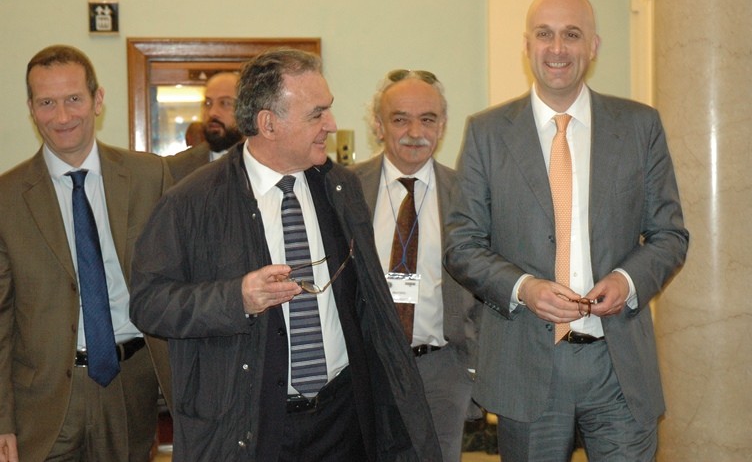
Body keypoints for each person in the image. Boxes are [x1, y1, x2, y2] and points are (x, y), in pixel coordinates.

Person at [129, 48, 440, 461]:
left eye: (328, 110)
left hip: (343, 419)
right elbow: (149, 303)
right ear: (268, 123)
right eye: (316, 114)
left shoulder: (341, 188)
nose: (331, 124)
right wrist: (236, 298)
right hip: (249, 425)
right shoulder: (192, 201)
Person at [444, 0, 689, 461]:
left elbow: (670, 234)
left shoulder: (639, 126)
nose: (557, 48)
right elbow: (462, 243)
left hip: (618, 366)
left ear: (593, 46)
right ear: (527, 45)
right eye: (545, 34)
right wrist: (524, 288)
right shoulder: (487, 133)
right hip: (526, 364)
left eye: (572, 35)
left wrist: (627, 280)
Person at [0, 45, 173, 462]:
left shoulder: (150, 177)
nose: (62, 117)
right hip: (43, 404)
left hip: (131, 387)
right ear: (31, 109)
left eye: (74, 99)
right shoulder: (6, 197)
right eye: (47, 103)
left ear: (97, 100)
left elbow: (177, 284)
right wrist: (2, 419)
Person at [351, 69, 481, 462]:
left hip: (442, 368)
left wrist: (473, 361)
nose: (414, 132)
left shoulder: (468, 195)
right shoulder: (346, 189)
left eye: (427, 119)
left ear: (442, 126)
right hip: (366, 366)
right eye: (400, 119)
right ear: (378, 126)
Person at [165, 71, 243, 181]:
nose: (212, 112)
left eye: (225, 103)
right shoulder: (176, 168)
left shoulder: (265, 162)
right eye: (208, 103)